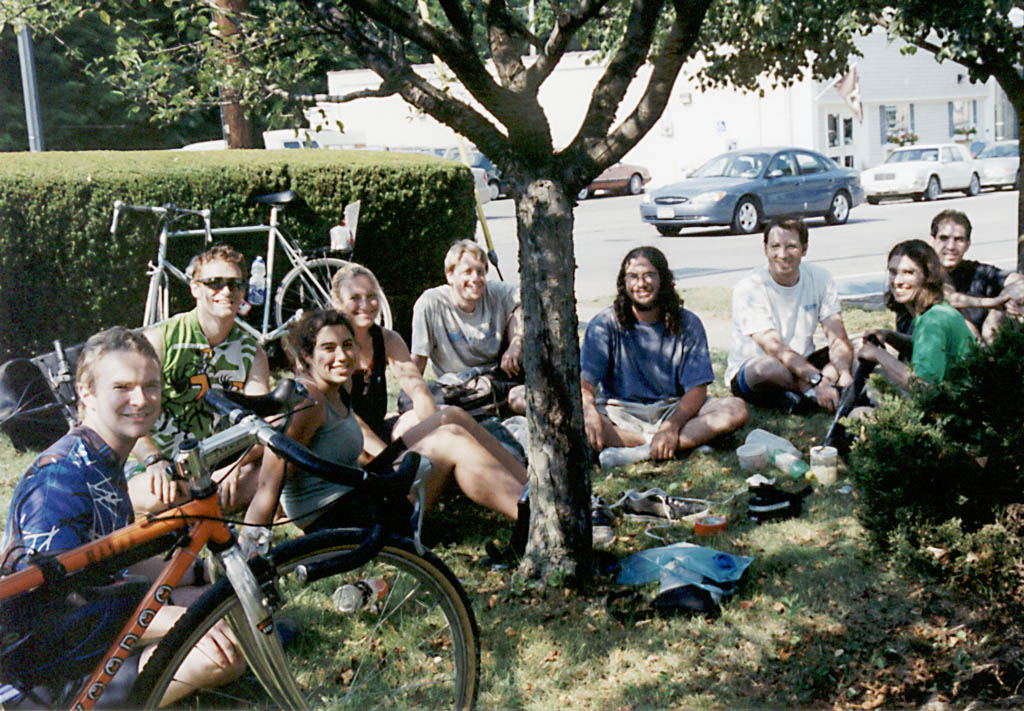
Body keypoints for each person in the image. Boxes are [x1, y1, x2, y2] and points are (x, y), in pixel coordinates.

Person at [0, 327, 244, 708]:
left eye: (151, 385)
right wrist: (181, 621)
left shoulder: (104, 458)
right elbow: (54, 600)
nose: (141, 399)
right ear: (86, 392)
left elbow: (109, 561)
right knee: (218, 655)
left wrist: (199, 579)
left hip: (96, 631)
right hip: (46, 678)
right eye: (123, 387)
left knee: (222, 603)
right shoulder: (58, 478)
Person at [244, 310, 528, 533]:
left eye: (347, 345)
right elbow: (271, 481)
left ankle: (532, 493)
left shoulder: (337, 387)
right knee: (451, 440)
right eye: (328, 348)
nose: (341, 356)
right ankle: (534, 521)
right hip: (344, 523)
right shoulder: (308, 399)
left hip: (361, 496)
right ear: (307, 355)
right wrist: (252, 549)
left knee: (449, 418)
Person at [129, 244, 270, 514]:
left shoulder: (252, 353)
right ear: (195, 288)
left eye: (235, 284)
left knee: (279, 466)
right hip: (164, 463)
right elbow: (127, 410)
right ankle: (206, 506)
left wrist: (234, 465)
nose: (226, 292)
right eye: (214, 283)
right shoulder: (161, 339)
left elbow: (262, 421)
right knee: (154, 494)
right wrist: (153, 459)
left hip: (221, 464)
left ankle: (207, 507)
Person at [580, 246, 748, 465]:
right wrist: (588, 411)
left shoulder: (688, 323)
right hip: (621, 412)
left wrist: (672, 426)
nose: (641, 284)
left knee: (736, 409)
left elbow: (697, 390)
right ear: (623, 283)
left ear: (663, 280)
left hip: (672, 409)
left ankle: (639, 451)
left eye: (649, 275)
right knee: (574, 418)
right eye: (633, 277)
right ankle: (663, 444)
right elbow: (585, 384)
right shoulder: (604, 324)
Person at [725, 217, 855, 412]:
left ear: (805, 249)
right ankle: (813, 393)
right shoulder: (749, 287)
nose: (782, 254)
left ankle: (823, 391)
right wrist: (817, 380)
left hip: (804, 363)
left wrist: (845, 374)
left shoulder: (820, 278)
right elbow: (774, 348)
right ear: (765, 249)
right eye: (775, 246)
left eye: (791, 246)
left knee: (860, 344)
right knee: (768, 367)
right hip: (759, 370)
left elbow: (836, 333)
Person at [410, 239, 525, 414]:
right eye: (467, 272)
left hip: (498, 380)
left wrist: (516, 343)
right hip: (458, 387)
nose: (475, 279)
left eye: (480, 272)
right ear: (450, 275)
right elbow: (418, 360)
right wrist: (413, 397)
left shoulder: (496, 293)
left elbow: (523, 306)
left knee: (520, 398)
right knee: (419, 403)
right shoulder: (431, 304)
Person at [857, 240, 976, 388]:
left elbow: (924, 387)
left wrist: (878, 355)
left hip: (958, 406)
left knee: (860, 411)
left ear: (928, 277)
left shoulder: (932, 321)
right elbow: (925, 350)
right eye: (893, 272)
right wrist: (890, 336)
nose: (898, 281)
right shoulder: (936, 311)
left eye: (908, 273)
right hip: (958, 399)